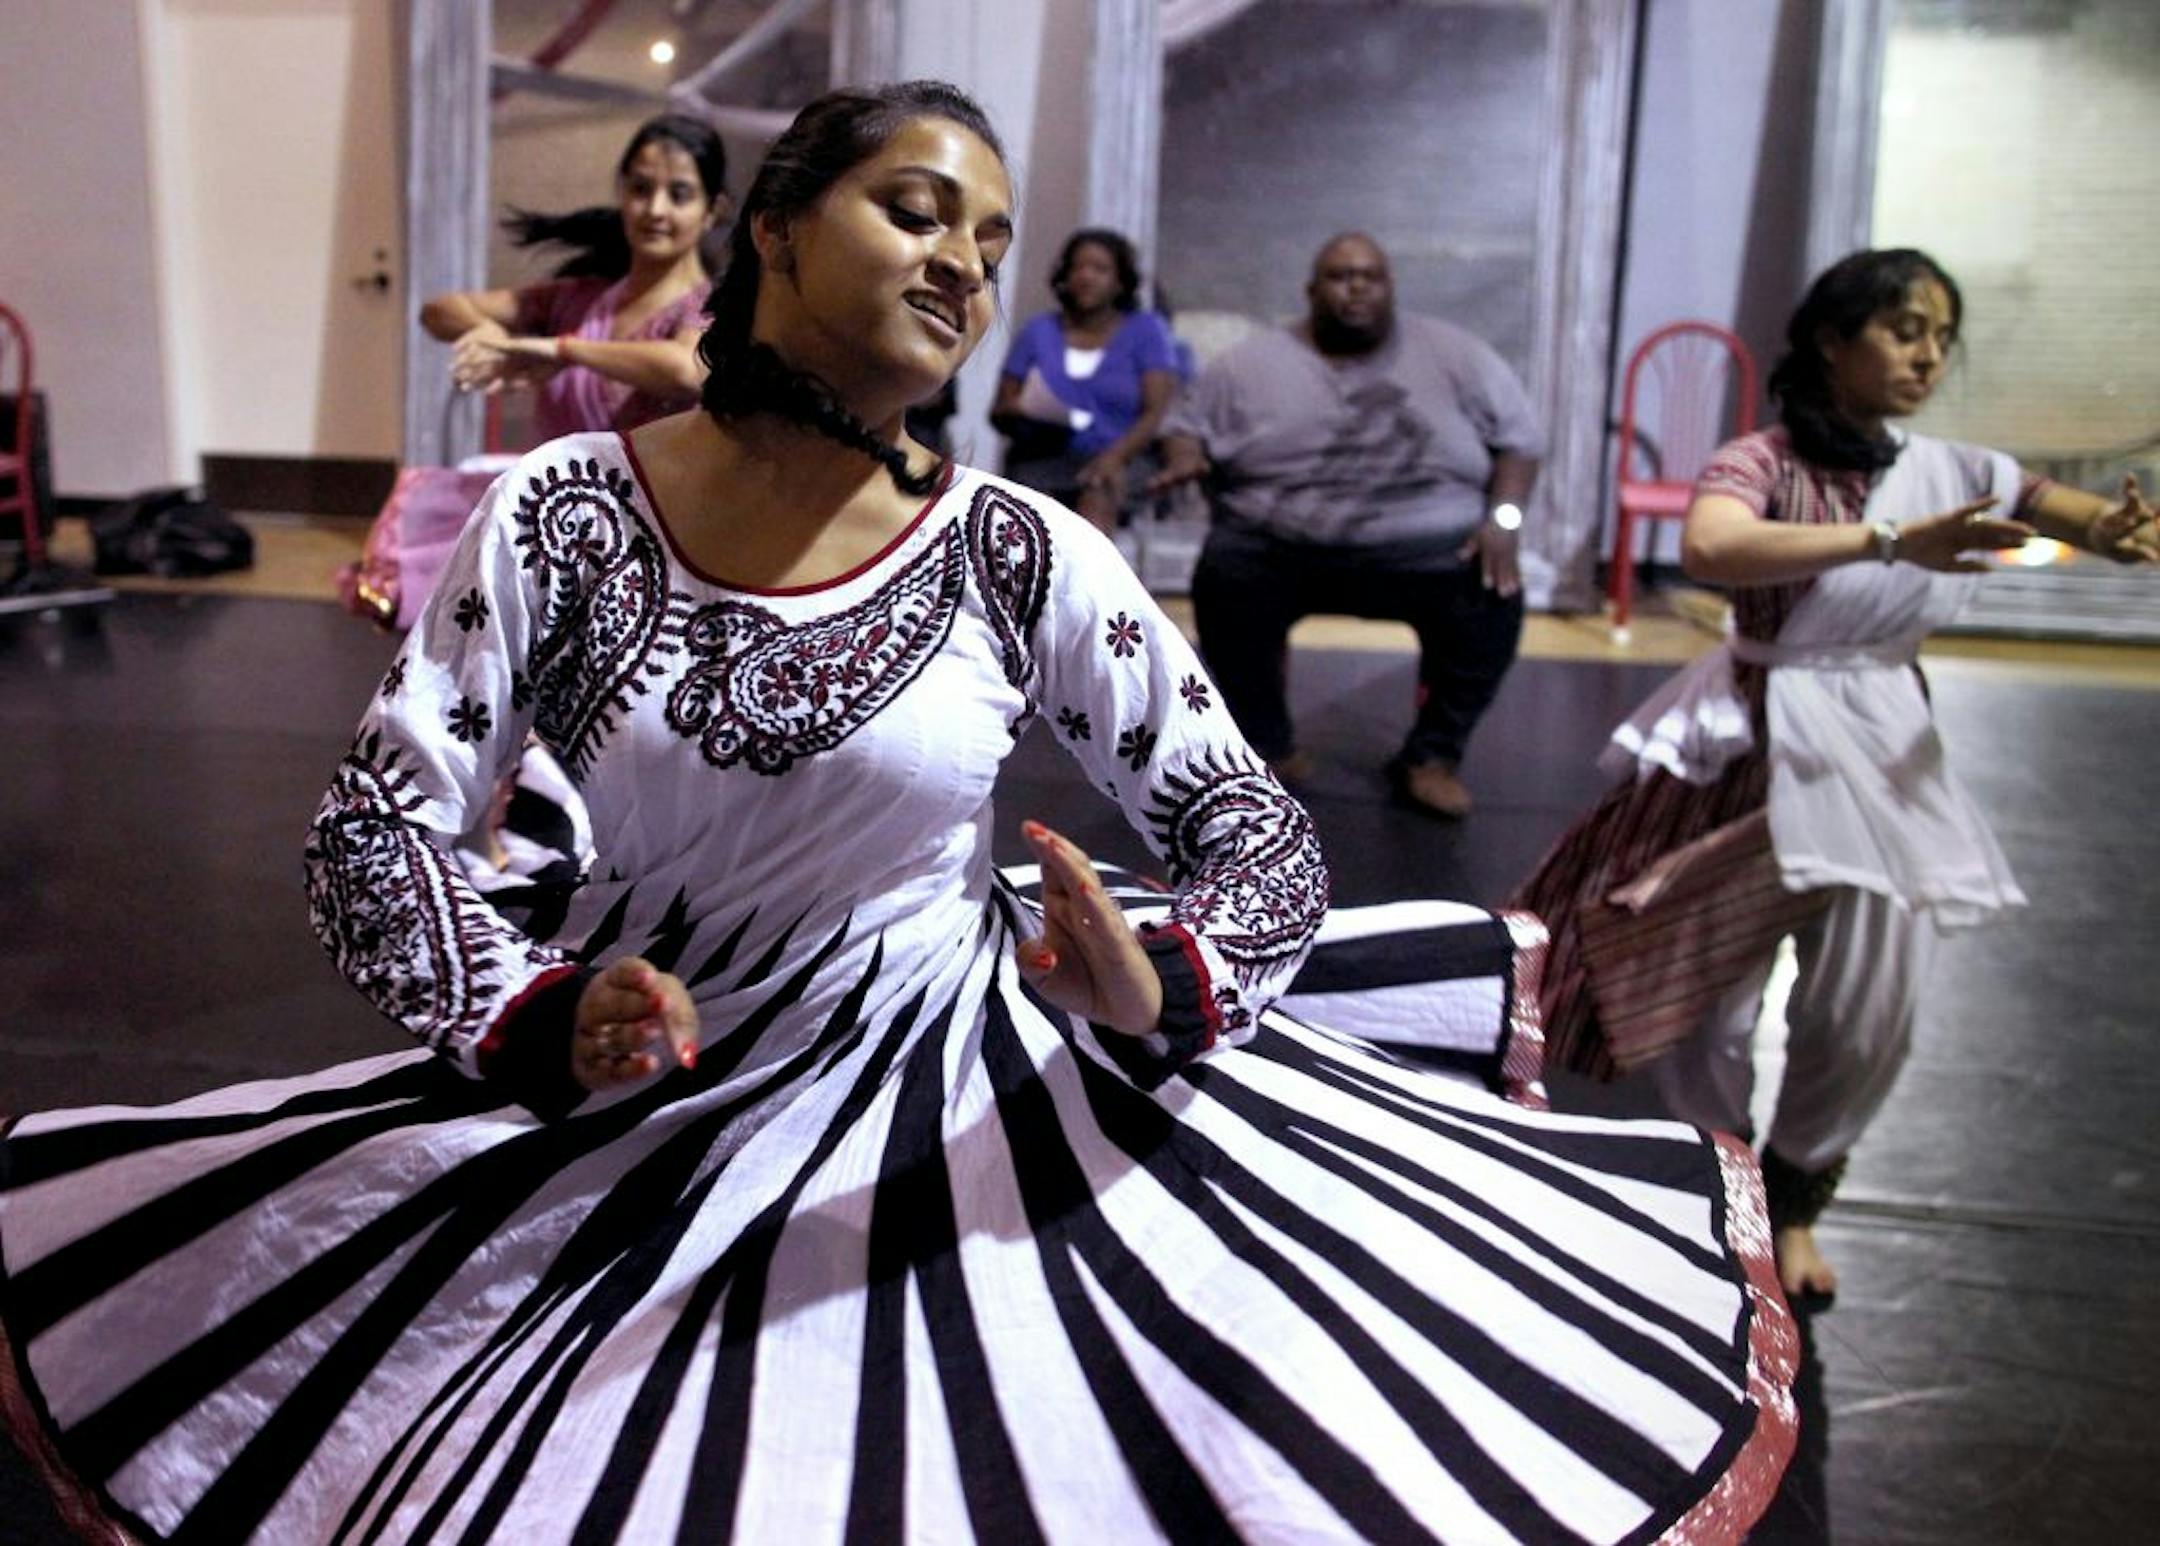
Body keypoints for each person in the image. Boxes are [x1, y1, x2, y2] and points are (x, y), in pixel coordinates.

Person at [0, 85, 1797, 1543]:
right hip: (638, 1096)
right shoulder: (561, 515)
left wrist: (1161, 981)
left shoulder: (1018, 554)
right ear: (774, 226)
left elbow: (1253, 831)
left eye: (992, 244)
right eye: (921, 211)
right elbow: (378, 831)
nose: (965, 266)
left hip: (961, 1096)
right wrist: (542, 1009)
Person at [1510, 248, 2160, 1305]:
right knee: (1707, 1011)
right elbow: (1713, 547)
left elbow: (2076, 514)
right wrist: (1893, 539)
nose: (1929, 354)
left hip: (1882, 755)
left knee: (1869, 1009)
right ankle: (1720, 1198)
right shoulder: (1760, 460)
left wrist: (2119, 532)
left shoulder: (1958, 468)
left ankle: (1797, 1199)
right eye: (1906, 329)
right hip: (1750, 757)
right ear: (1830, 338)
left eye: (1942, 336)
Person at [1154, 233, 1543, 818]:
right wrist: (1184, 458)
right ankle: (1268, 748)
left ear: (1390, 288)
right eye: (1339, 276)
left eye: (1370, 276)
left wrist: (1505, 520)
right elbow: (1185, 427)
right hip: (1281, 545)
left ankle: (1431, 757)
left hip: (1429, 549)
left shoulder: (1457, 355)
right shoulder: (1248, 363)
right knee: (1226, 572)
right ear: (1311, 290)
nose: (1355, 287)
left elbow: (1520, 444)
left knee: (1494, 594)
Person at [420, 112, 731, 442]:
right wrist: (487, 331)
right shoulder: (577, 301)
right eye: (641, 189)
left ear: (713, 210)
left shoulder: (711, 308)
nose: (656, 209)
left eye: (679, 195)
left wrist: (561, 350)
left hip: (655, 494)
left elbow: (686, 370)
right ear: (622, 194)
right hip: (555, 490)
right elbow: (438, 312)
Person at [990, 228, 1184, 534]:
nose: (1086, 277)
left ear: (1120, 280)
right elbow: (1000, 410)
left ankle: (1088, 581)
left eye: (1099, 269)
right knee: (1029, 520)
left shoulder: (1146, 331)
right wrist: (1022, 410)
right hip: (1042, 457)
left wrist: (1114, 457)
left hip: (1122, 455)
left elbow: (1155, 411)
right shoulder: (1038, 331)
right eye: (1078, 267)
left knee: (1097, 496)